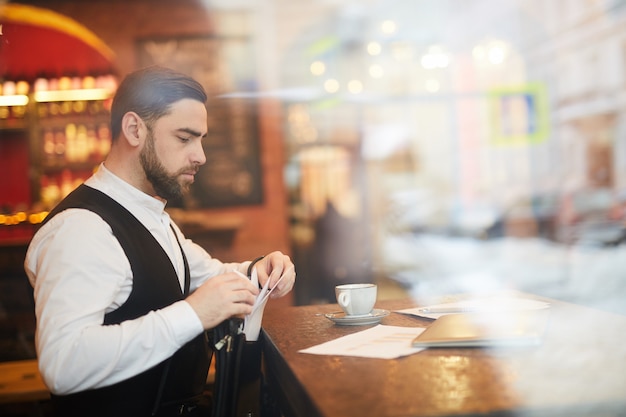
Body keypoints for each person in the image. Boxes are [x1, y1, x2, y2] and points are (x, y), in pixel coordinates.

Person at [24, 66, 296, 417]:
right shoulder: (81, 229)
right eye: (185, 138)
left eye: (201, 139)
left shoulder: (152, 216)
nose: (201, 156)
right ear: (135, 129)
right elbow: (63, 364)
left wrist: (259, 272)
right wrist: (194, 313)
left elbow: (211, 276)